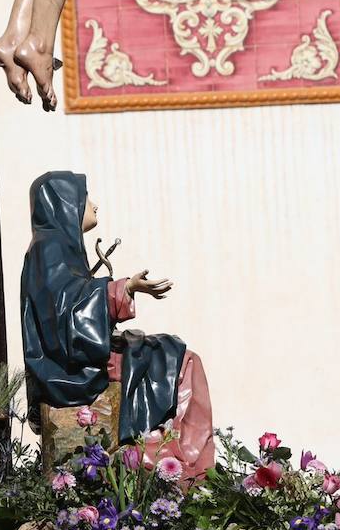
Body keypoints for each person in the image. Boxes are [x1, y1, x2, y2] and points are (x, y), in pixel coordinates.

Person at [20, 171, 215, 481]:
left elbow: (70, 303)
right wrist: (123, 289)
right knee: (181, 361)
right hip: (68, 371)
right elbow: (65, 313)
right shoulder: (50, 249)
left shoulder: (55, 247)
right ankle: (177, 463)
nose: (94, 206)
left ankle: (163, 452)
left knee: (164, 352)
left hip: (77, 359)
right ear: (65, 204)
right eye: (85, 199)